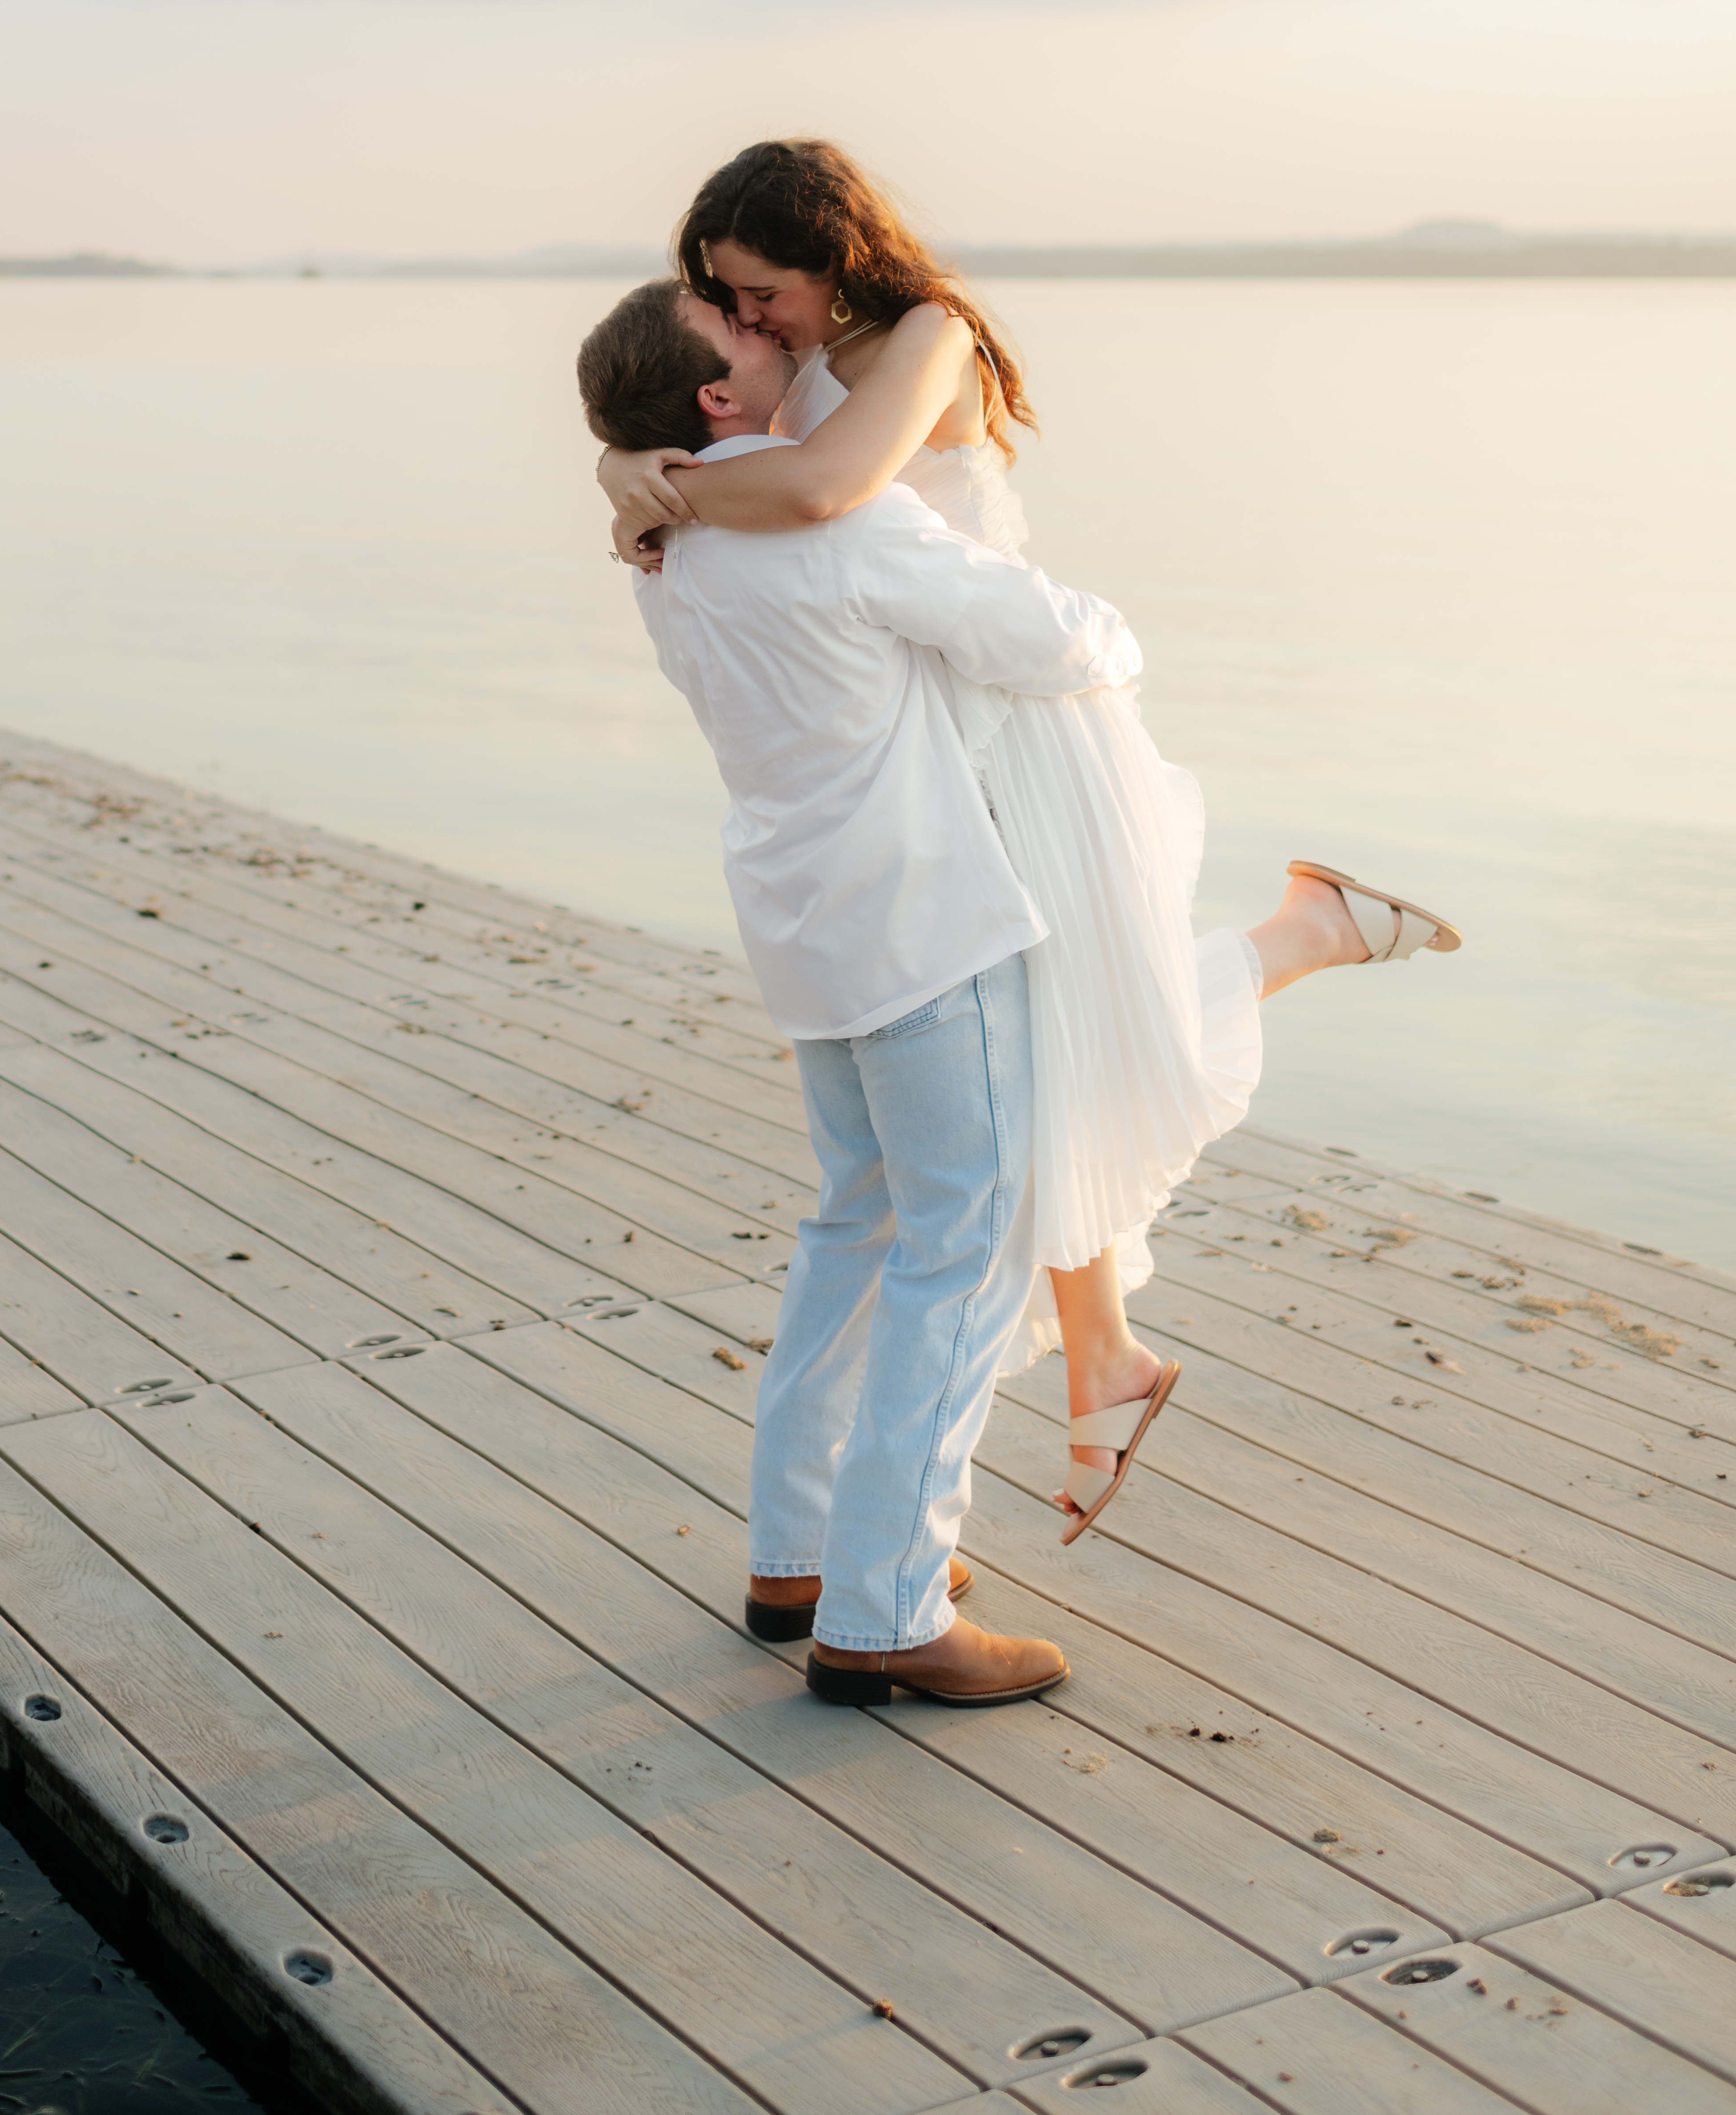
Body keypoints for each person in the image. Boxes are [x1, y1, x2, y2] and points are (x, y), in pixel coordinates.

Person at [596, 139, 1461, 1538]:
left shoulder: (924, 335)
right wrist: (626, 454)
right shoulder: (771, 388)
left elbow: (820, 490)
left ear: (830, 255)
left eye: (762, 293)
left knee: (1075, 1044)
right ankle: (1109, 1355)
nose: (752, 323)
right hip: (926, 716)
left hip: (1016, 710)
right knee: (1044, 1058)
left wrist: (647, 477)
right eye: (728, 305)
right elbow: (776, 475)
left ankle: (1298, 940)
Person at [575, 271, 1141, 1708]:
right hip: (923, 927)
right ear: (718, 397)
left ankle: (801, 1551)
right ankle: (886, 1608)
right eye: (747, 335)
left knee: (856, 1223)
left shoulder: (664, 542)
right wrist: (1117, 637)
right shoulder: (834, 521)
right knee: (963, 1250)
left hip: (803, 920)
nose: (775, 337)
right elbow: (1052, 641)